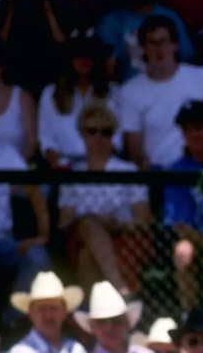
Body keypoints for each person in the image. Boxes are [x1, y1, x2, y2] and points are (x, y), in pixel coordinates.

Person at [58, 102, 152, 296]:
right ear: (82, 134)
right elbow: (64, 222)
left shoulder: (128, 171)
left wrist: (117, 225)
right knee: (88, 223)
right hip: (80, 236)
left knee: (87, 256)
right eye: (92, 131)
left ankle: (96, 314)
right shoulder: (73, 174)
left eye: (106, 132)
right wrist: (94, 223)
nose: (99, 137)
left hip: (123, 236)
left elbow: (144, 220)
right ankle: (119, 288)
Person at [0, 95, 51, 331]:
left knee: (38, 257)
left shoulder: (5, 153)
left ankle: (11, 321)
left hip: (4, 241)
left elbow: (34, 193)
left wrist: (42, 235)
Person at [120, 15, 203, 170]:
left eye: (164, 41)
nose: (159, 49)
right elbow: (135, 150)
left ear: (175, 45)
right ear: (143, 48)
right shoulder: (131, 91)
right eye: (153, 43)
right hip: (159, 174)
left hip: (202, 170)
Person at [38, 26, 120, 168]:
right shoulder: (50, 94)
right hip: (63, 170)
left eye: (89, 55)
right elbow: (46, 140)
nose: (83, 60)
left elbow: (117, 139)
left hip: (104, 168)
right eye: (78, 55)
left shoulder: (114, 93)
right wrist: (61, 168)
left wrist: (95, 166)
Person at [163, 100, 203, 314]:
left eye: (200, 127)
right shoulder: (178, 170)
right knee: (183, 250)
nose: (194, 134)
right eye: (187, 129)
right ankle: (190, 317)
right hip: (199, 240)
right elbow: (181, 225)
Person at [97, 0, 194, 82]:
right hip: (131, 89)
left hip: (171, 84)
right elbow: (109, 67)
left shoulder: (169, 16)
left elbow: (186, 55)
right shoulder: (111, 22)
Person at [0, 36, 37, 159]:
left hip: (15, 172)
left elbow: (32, 142)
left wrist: (15, 168)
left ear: (3, 65)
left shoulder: (23, 98)